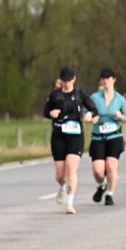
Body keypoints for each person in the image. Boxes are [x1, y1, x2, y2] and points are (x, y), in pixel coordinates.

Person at [43, 67, 97, 214]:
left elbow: (94, 110)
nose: (66, 83)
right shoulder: (55, 95)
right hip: (59, 136)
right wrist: (51, 113)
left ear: (74, 79)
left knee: (71, 168)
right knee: (60, 175)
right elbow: (45, 112)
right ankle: (62, 186)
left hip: (76, 136)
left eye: (69, 80)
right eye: (64, 80)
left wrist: (90, 116)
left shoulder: (80, 94)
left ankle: (70, 203)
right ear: (61, 80)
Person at [89, 68, 126, 206]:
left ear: (114, 80)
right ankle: (102, 185)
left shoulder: (120, 99)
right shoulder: (94, 98)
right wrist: (91, 118)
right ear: (101, 80)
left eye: (108, 78)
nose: (106, 80)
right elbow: (86, 113)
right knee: (98, 171)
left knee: (111, 167)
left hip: (115, 137)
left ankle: (109, 195)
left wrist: (121, 116)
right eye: (103, 78)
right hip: (98, 137)